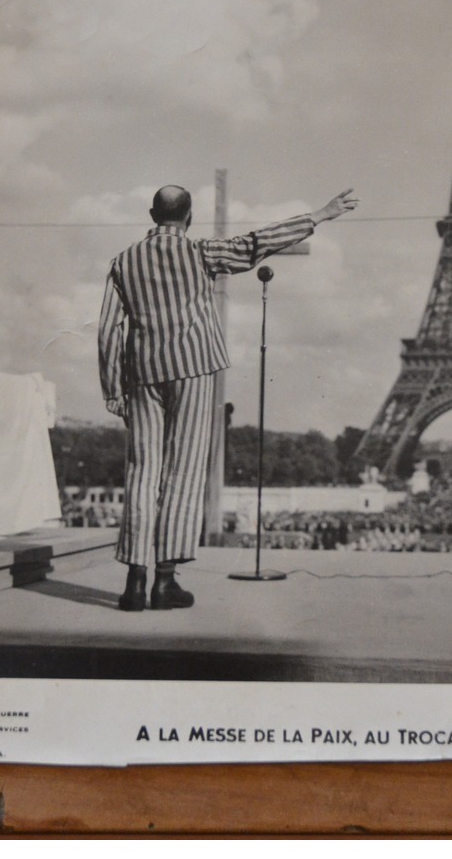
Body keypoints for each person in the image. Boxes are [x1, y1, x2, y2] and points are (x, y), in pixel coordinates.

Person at [98, 184, 358, 612]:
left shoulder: (122, 261)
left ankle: (133, 583)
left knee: (141, 472)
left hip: (141, 373)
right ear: (190, 217)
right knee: (183, 471)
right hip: (194, 367)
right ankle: (165, 582)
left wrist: (113, 389)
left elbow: (109, 329)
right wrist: (320, 214)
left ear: (151, 214)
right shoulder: (200, 252)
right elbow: (257, 243)